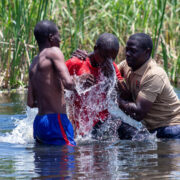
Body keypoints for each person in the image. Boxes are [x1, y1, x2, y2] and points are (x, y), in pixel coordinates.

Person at [117, 33, 180, 139]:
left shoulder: (154, 74)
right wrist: (87, 59)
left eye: (133, 51)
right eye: (126, 50)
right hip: (152, 129)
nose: (127, 54)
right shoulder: (127, 65)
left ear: (147, 52)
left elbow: (138, 113)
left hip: (171, 128)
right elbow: (108, 72)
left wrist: (116, 100)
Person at [27, 20, 76, 146]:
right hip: (56, 121)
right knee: (68, 159)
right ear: (51, 37)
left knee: (45, 164)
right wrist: (82, 80)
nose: (60, 40)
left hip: (39, 123)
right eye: (58, 36)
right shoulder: (54, 52)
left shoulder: (34, 62)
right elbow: (69, 84)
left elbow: (31, 102)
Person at [65, 33, 124, 137]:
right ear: (95, 48)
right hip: (78, 125)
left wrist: (111, 76)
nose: (107, 62)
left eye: (112, 58)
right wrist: (77, 81)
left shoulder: (112, 68)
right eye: (104, 57)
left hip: (101, 123)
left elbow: (123, 93)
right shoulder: (77, 63)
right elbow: (53, 81)